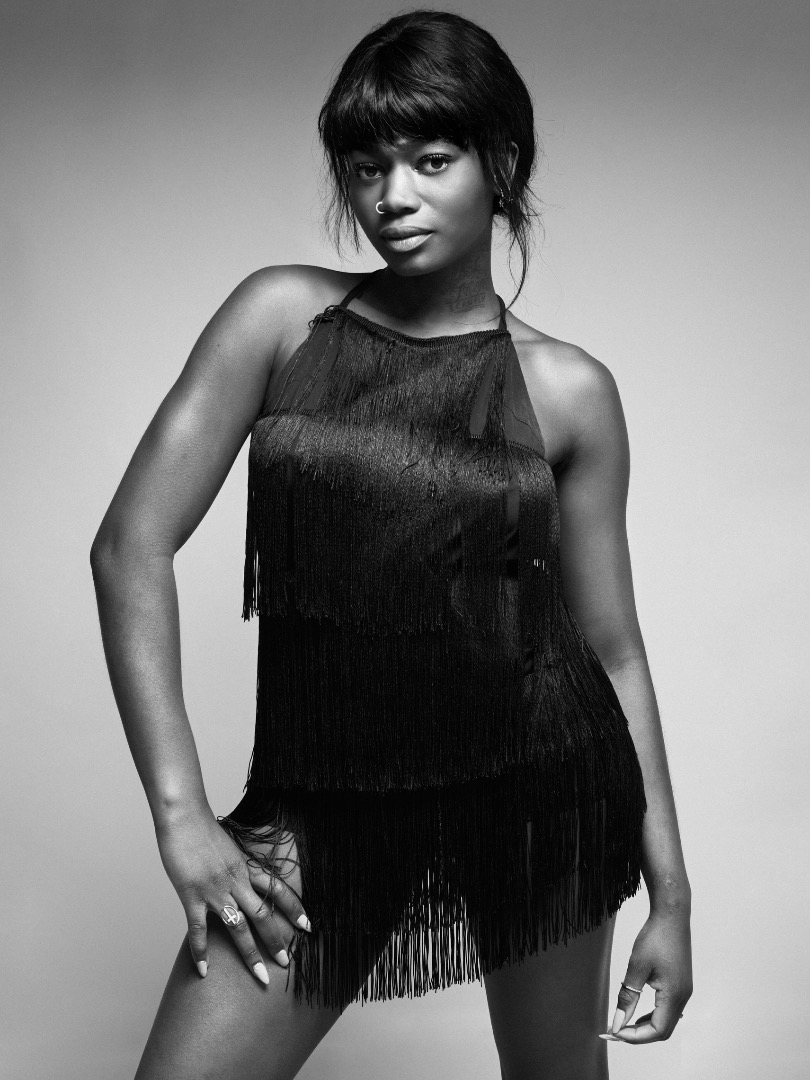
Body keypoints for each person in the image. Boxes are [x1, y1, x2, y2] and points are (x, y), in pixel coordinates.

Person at [91, 10, 692, 1079]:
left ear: (501, 163)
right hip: (327, 800)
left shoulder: (571, 391)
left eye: (431, 160)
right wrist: (181, 817)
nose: (392, 196)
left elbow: (614, 649)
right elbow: (129, 547)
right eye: (367, 167)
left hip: (539, 789)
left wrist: (673, 899)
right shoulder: (280, 317)